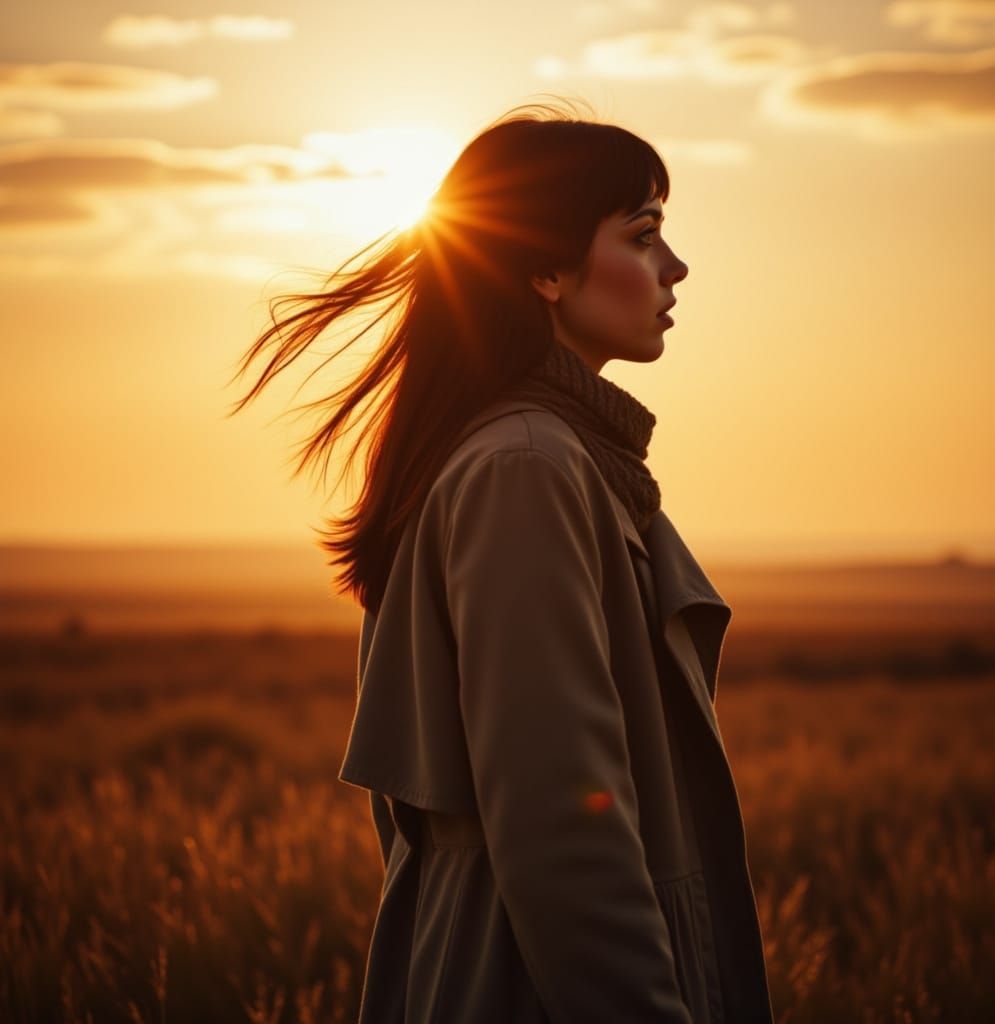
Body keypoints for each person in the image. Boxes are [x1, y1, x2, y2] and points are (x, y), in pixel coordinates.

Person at [229, 100, 774, 1023]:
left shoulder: (553, 457)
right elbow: (563, 827)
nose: (675, 268)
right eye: (643, 236)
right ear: (547, 269)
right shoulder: (527, 467)